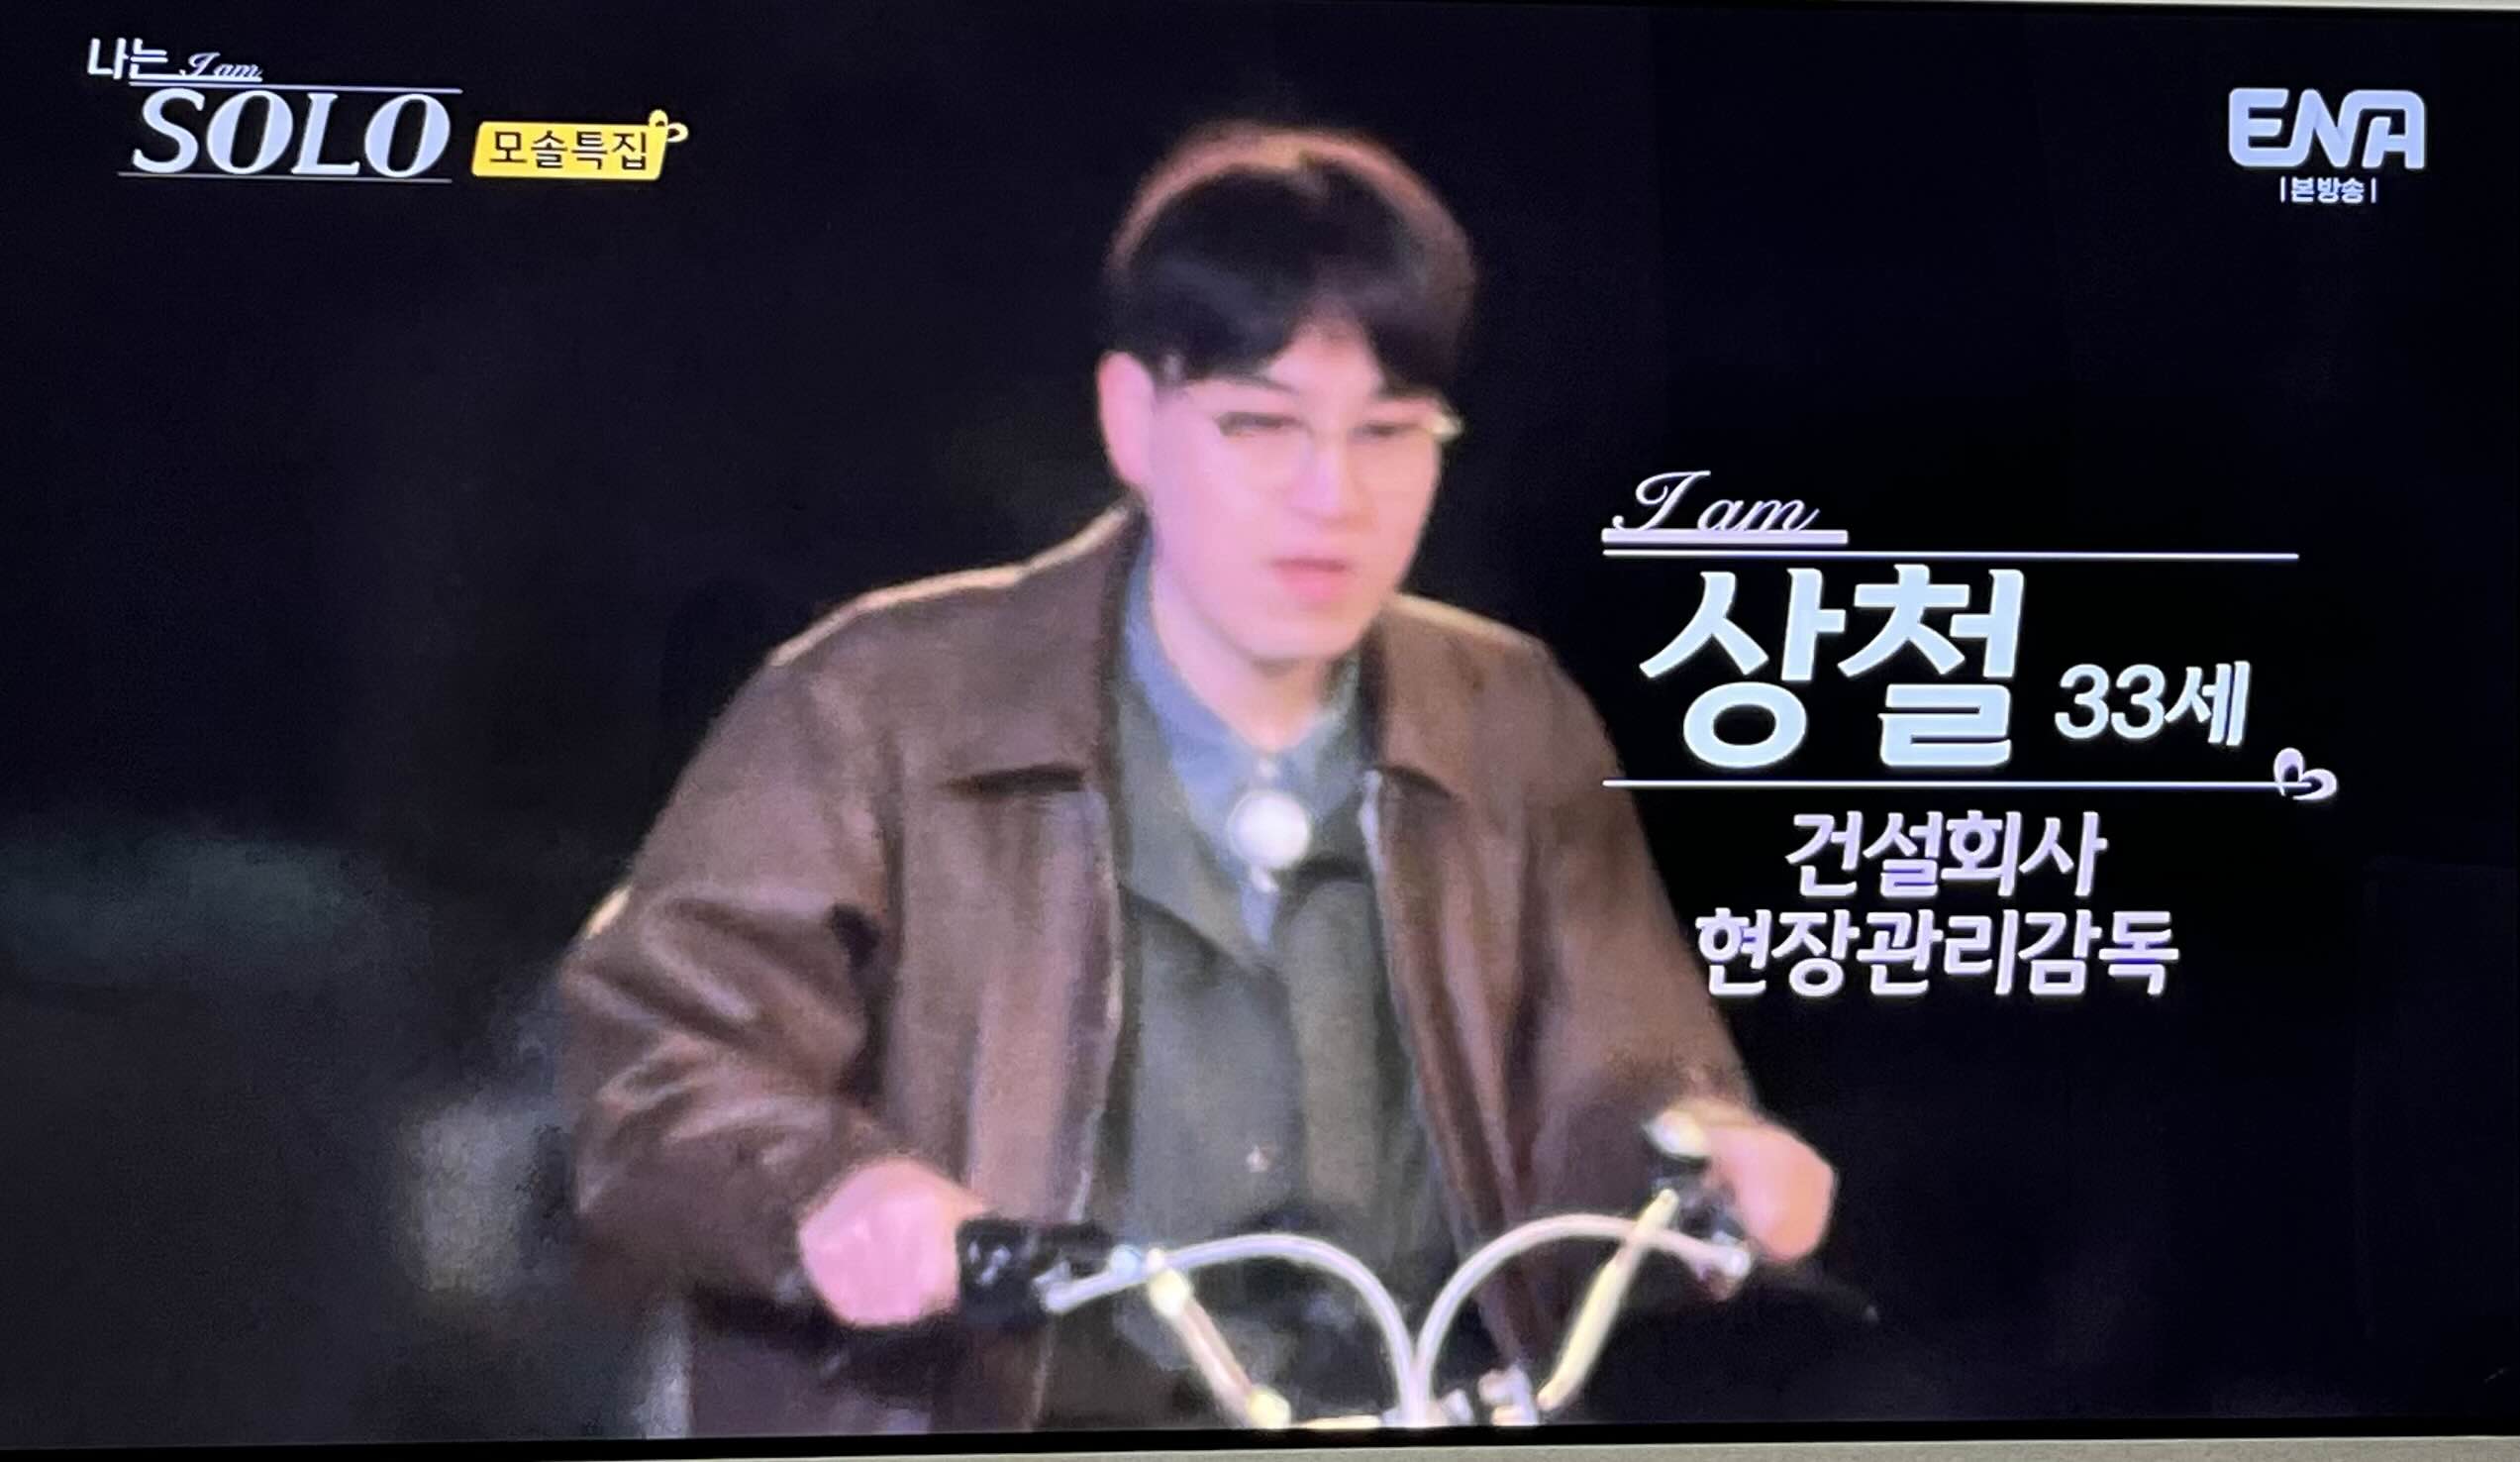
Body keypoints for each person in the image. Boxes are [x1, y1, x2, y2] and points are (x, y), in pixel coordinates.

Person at [559, 119, 1835, 1436]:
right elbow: (655, 1057)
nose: (1331, 496)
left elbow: (1622, 1080)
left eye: (1389, 433)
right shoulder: (872, 703)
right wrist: (829, 1194)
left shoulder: (1511, 717)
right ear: (1131, 417)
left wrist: (1711, 1159)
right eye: (1259, 425)